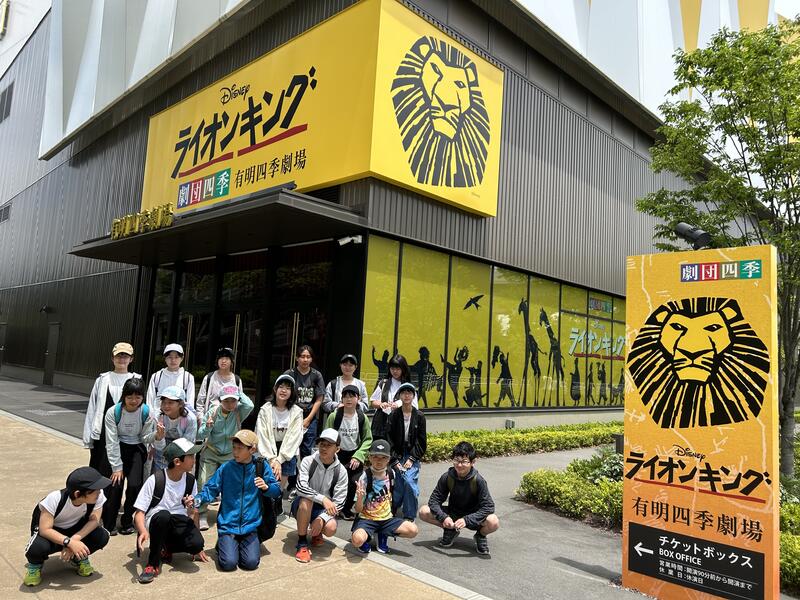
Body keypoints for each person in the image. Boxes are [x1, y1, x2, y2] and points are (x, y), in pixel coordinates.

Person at [192, 430, 281, 571]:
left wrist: (266, 487)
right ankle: (224, 543)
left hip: (251, 525)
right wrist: (196, 500)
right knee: (228, 564)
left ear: (252, 449)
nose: (235, 452)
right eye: (234, 447)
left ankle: (238, 545)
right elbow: (210, 489)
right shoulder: (226, 468)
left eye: (240, 448)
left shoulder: (261, 466)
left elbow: (276, 491)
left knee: (251, 563)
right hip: (228, 525)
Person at [133, 438, 209, 584]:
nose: (194, 460)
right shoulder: (156, 479)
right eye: (191, 456)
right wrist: (142, 531)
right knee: (164, 516)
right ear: (177, 461)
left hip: (177, 522)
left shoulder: (190, 480)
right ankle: (152, 564)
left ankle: (166, 547)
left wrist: (197, 545)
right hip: (157, 521)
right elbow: (139, 512)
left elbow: (193, 513)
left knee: (197, 544)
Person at [23, 467, 111, 587]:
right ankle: (35, 566)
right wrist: (68, 542)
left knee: (102, 536)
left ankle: (78, 556)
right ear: (78, 494)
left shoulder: (97, 496)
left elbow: (94, 521)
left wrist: (74, 541)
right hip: (52, 533)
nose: (99, 492)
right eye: (95, 489)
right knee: (36, 548)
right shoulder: (55, 498)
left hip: (75, 530)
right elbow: (45, 530)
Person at [419, 441, 499, 556]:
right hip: (453, 514)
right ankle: (450, 530)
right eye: (456, 460)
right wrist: (444, 517)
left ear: (473, 462)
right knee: (424, 511)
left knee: (493, 521)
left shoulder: (478, 480)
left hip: (473, 517)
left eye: (464, 461)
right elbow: (434, 500)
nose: (459, 465)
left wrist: (467, 520)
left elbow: (489, 507)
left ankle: (480, 536)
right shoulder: (447, 477)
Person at [196, 385, 253, 530]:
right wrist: (208, 427)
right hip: (211, 451)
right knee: (204, 481)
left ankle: (229, 513)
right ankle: (202, 514)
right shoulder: (213, 412)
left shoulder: (239, 411)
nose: (230, 404)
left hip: (230, 453)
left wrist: (237, 391)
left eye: (233, 400)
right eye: (226, 400)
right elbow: (200, 434)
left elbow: (250, 405)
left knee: (231, 484)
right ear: (220, 400)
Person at [103, 377, 156, 534]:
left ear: (142, 397)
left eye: (138, 397)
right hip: (118, 448)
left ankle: (127, 521)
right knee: (115, 486)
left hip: (136, 449)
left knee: (134, 486)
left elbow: (145, 437)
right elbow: (111, 441)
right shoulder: (113, 412)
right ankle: (109, 524)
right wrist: (116, 467)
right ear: (123, 396)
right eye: (130, 397)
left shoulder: (146, 412)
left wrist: (156, 436)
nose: (134, 401)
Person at [83, 342, 141, 479]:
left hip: (128, 433)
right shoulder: (102, 379)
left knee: (121, 474)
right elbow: (92, 407)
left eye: (125, 356)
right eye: (118, 356)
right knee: (100, 471)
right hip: (103, 432)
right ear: (112, 358)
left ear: (131, 359)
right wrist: (88, 437)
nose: (122, 359)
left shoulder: (137, 379)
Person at [351, 439, 418, 555]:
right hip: (367, 519)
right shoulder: (365, 477)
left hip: (386, 519)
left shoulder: (392, 473)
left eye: (383, 457)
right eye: (375, 457)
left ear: (388, 459)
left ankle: (382, 533)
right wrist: (360, 498)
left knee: (413, 530)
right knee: (357, 540)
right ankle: (365, 539)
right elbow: (357, 510)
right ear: (369, 457)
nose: (379, 460)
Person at [292, 428, 348, 563]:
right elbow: (300, 487)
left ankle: (317, 532)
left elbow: (340, 502)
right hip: (303, 505)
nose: (323, 448)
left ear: (337, 449)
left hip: (323, 510)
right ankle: (302, 543)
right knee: (307, 501)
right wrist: (323, 499)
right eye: (322, 444)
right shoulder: (308, 461)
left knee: (331, 528)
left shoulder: (341, 471)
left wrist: (322, 518)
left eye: (329, 445)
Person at [325, 384, 372, 519]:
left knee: (354, 482)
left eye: (352, 396)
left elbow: (367, 439)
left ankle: (346, 509)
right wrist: (331, 452)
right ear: (342, 399)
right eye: (345, 396)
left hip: (354, 455)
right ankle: (333, 507)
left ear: (358, 398)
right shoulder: (334, 416)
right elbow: (327, 435)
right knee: (334, 482)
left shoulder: (362, 418)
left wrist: (358, 456)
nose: (349, 399)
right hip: (337, 454)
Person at [255, 374, 303, 500]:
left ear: (292, 392)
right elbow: (262, 435)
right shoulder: (265, 409)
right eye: (281, 387)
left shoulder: (297, 411)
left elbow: (295, 437)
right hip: (268, 450)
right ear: (275, 389)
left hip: (287, 451)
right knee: (265, 485)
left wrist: (279, 460)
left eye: (288, 388)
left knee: (278, 488)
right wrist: (272, 459)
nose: (284, 390)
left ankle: (277, 505)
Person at [386, 382, 426, 522]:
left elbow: (421, 441)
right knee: (398, 482)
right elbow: (389, 438)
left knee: (409, 481)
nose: (406, 395)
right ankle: (393, 507)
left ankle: (409, 514)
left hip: (412, 454)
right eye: (404, 392)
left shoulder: (419, 416)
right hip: (397, 453)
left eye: (409, 393)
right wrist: (394, 460)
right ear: (399, 396)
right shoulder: (393, 415)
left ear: (413, 396)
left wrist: (412, 458)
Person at [284, 345, 325, 463]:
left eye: (308, 357)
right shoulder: (290, 374)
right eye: (302, 356)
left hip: (310, 416)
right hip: (291, 415)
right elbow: (283, 395)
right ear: (297, 358)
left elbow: (319, 399)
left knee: (307, 449)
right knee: (290, 446)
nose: (305, 359)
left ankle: (304, 473)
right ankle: (291, 474)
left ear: (311, 359)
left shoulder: (316, 375)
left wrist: (308, 419)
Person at [369, 353, 417, 441]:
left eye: (398, 369)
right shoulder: (383, 383)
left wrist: (399, 404)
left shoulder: (408, 386)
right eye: (392, 368)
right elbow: (373, 401)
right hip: (381, 425)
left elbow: (414, 407)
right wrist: (381, 404)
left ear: (403, 369)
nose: (395, 371)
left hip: (399, 424)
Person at [151, 385, 198, 472]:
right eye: (164, 402)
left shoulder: (190, 419)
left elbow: (188, 444)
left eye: (170, 403)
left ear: (180, 404)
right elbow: (158, 445)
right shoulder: (158, 417)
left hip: (181, 452)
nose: (166, 406)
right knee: (160, 477)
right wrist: (159, 438)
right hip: (161, 452)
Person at [196, 347, 243, 426]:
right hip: (210, 421)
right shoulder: (209, 378)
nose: (223, 361)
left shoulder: (237, 380)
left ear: (232, 362)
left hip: (228, 423)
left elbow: (240, 403)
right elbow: (200, 402)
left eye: (227, 358)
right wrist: (201, 420)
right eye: (221, 358)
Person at [146, 343, 195, 416]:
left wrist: (187, 417)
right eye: (169, 357)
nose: (173, 360)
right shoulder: (156, 376)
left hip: (179, 417)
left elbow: (190, 402)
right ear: (165, 358)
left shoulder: (188, 377)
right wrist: (152, 417)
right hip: (158, 417)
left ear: (182, 358)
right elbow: (150, 399)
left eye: (176, 357)